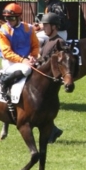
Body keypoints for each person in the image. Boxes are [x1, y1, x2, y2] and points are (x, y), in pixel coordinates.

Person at [0, 2, 40, 117]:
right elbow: (6, 52)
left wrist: (33, 56)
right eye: (7, 19)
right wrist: (22, 60)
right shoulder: (3, 31)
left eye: (12, 18)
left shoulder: (29, 28)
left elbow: (35, 45)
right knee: (26, 70)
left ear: (19, 17)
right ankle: (4, 82)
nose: (9, 21)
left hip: (27, 60)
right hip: (10, 61)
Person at [37, 12, 65, 143]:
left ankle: (52, 131)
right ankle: (53, 130)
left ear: (54, 27)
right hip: (42, 76)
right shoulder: (48, 41)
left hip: (50, 81)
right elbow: (43, 58)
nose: (43, 28)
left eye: (46, 25)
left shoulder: (60, 42)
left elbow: (59, 62)